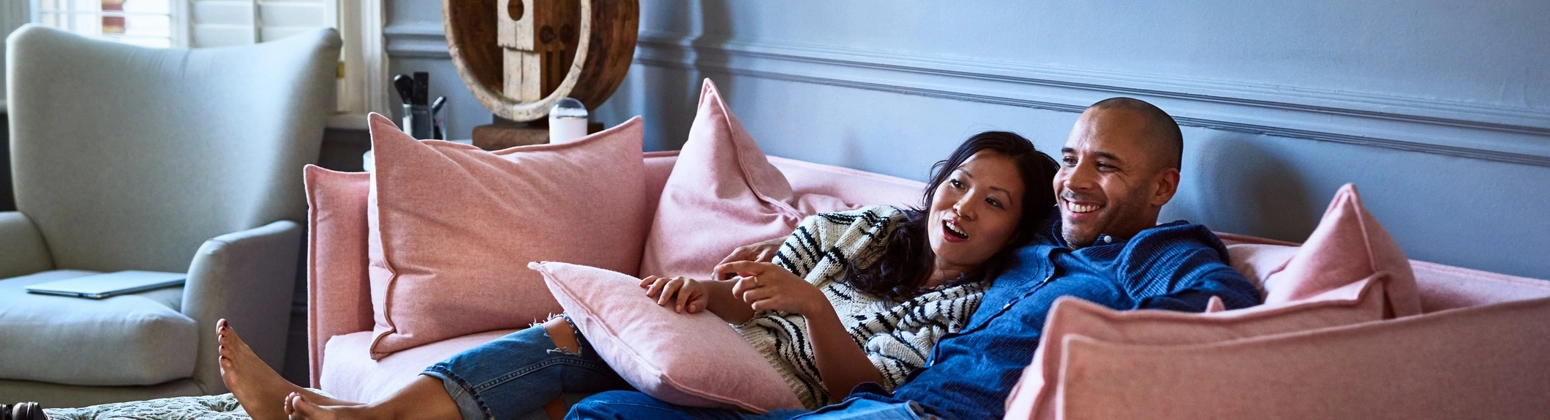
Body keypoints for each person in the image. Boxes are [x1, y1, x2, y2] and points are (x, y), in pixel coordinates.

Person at [214, 130, 1062, 420]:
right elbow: (752, 287)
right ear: (936, 182)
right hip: (730, 338)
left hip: (790, 385)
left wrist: (812, 313)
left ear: (1017, 226)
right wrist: (709, 293)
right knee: (576, 330)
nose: (964, 207)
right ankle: (368, 414)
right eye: (958, 183)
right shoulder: (873, 229)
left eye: (994, 203)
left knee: (600, 395)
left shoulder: (979, 304)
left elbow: (863, 384)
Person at [563, 97, 1264, 419]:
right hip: (883, 404)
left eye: (1104, 166)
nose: (1076, 181)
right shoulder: (1043, 234)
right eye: (1072, 158)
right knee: (605, 413)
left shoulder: (1156, 253)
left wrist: (1096, 346)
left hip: (941, 414)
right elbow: (940, 220)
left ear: (1162, 186)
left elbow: (1223, 309)